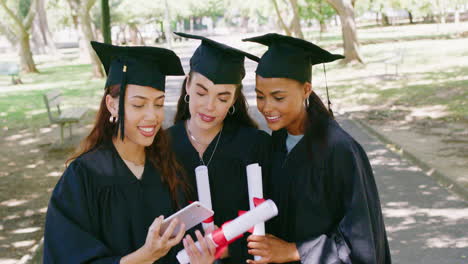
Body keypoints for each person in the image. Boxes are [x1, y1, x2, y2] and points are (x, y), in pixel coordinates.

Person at [43, 41, 204, 264]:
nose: (152, 116)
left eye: (158, 104)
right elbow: (66, 258)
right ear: (111, 105)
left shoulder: (166, 164)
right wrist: (145, 256)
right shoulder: (84, 176)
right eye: (138, 105)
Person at [243, 33, 391, 264]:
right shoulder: (276, 143)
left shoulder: (340, 150)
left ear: (306, 90)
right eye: (260, 96)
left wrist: (294, 251)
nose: (266, 107)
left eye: (278, 97)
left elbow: (362, 242)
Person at [168, 32, 271, 264]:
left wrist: (229, 251)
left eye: (223, 98)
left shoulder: (256, 146)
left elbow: (273, 221)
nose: (209, 106)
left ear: (234, 100)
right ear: (187, 85)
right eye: (201, 92)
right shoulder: (162, 146)